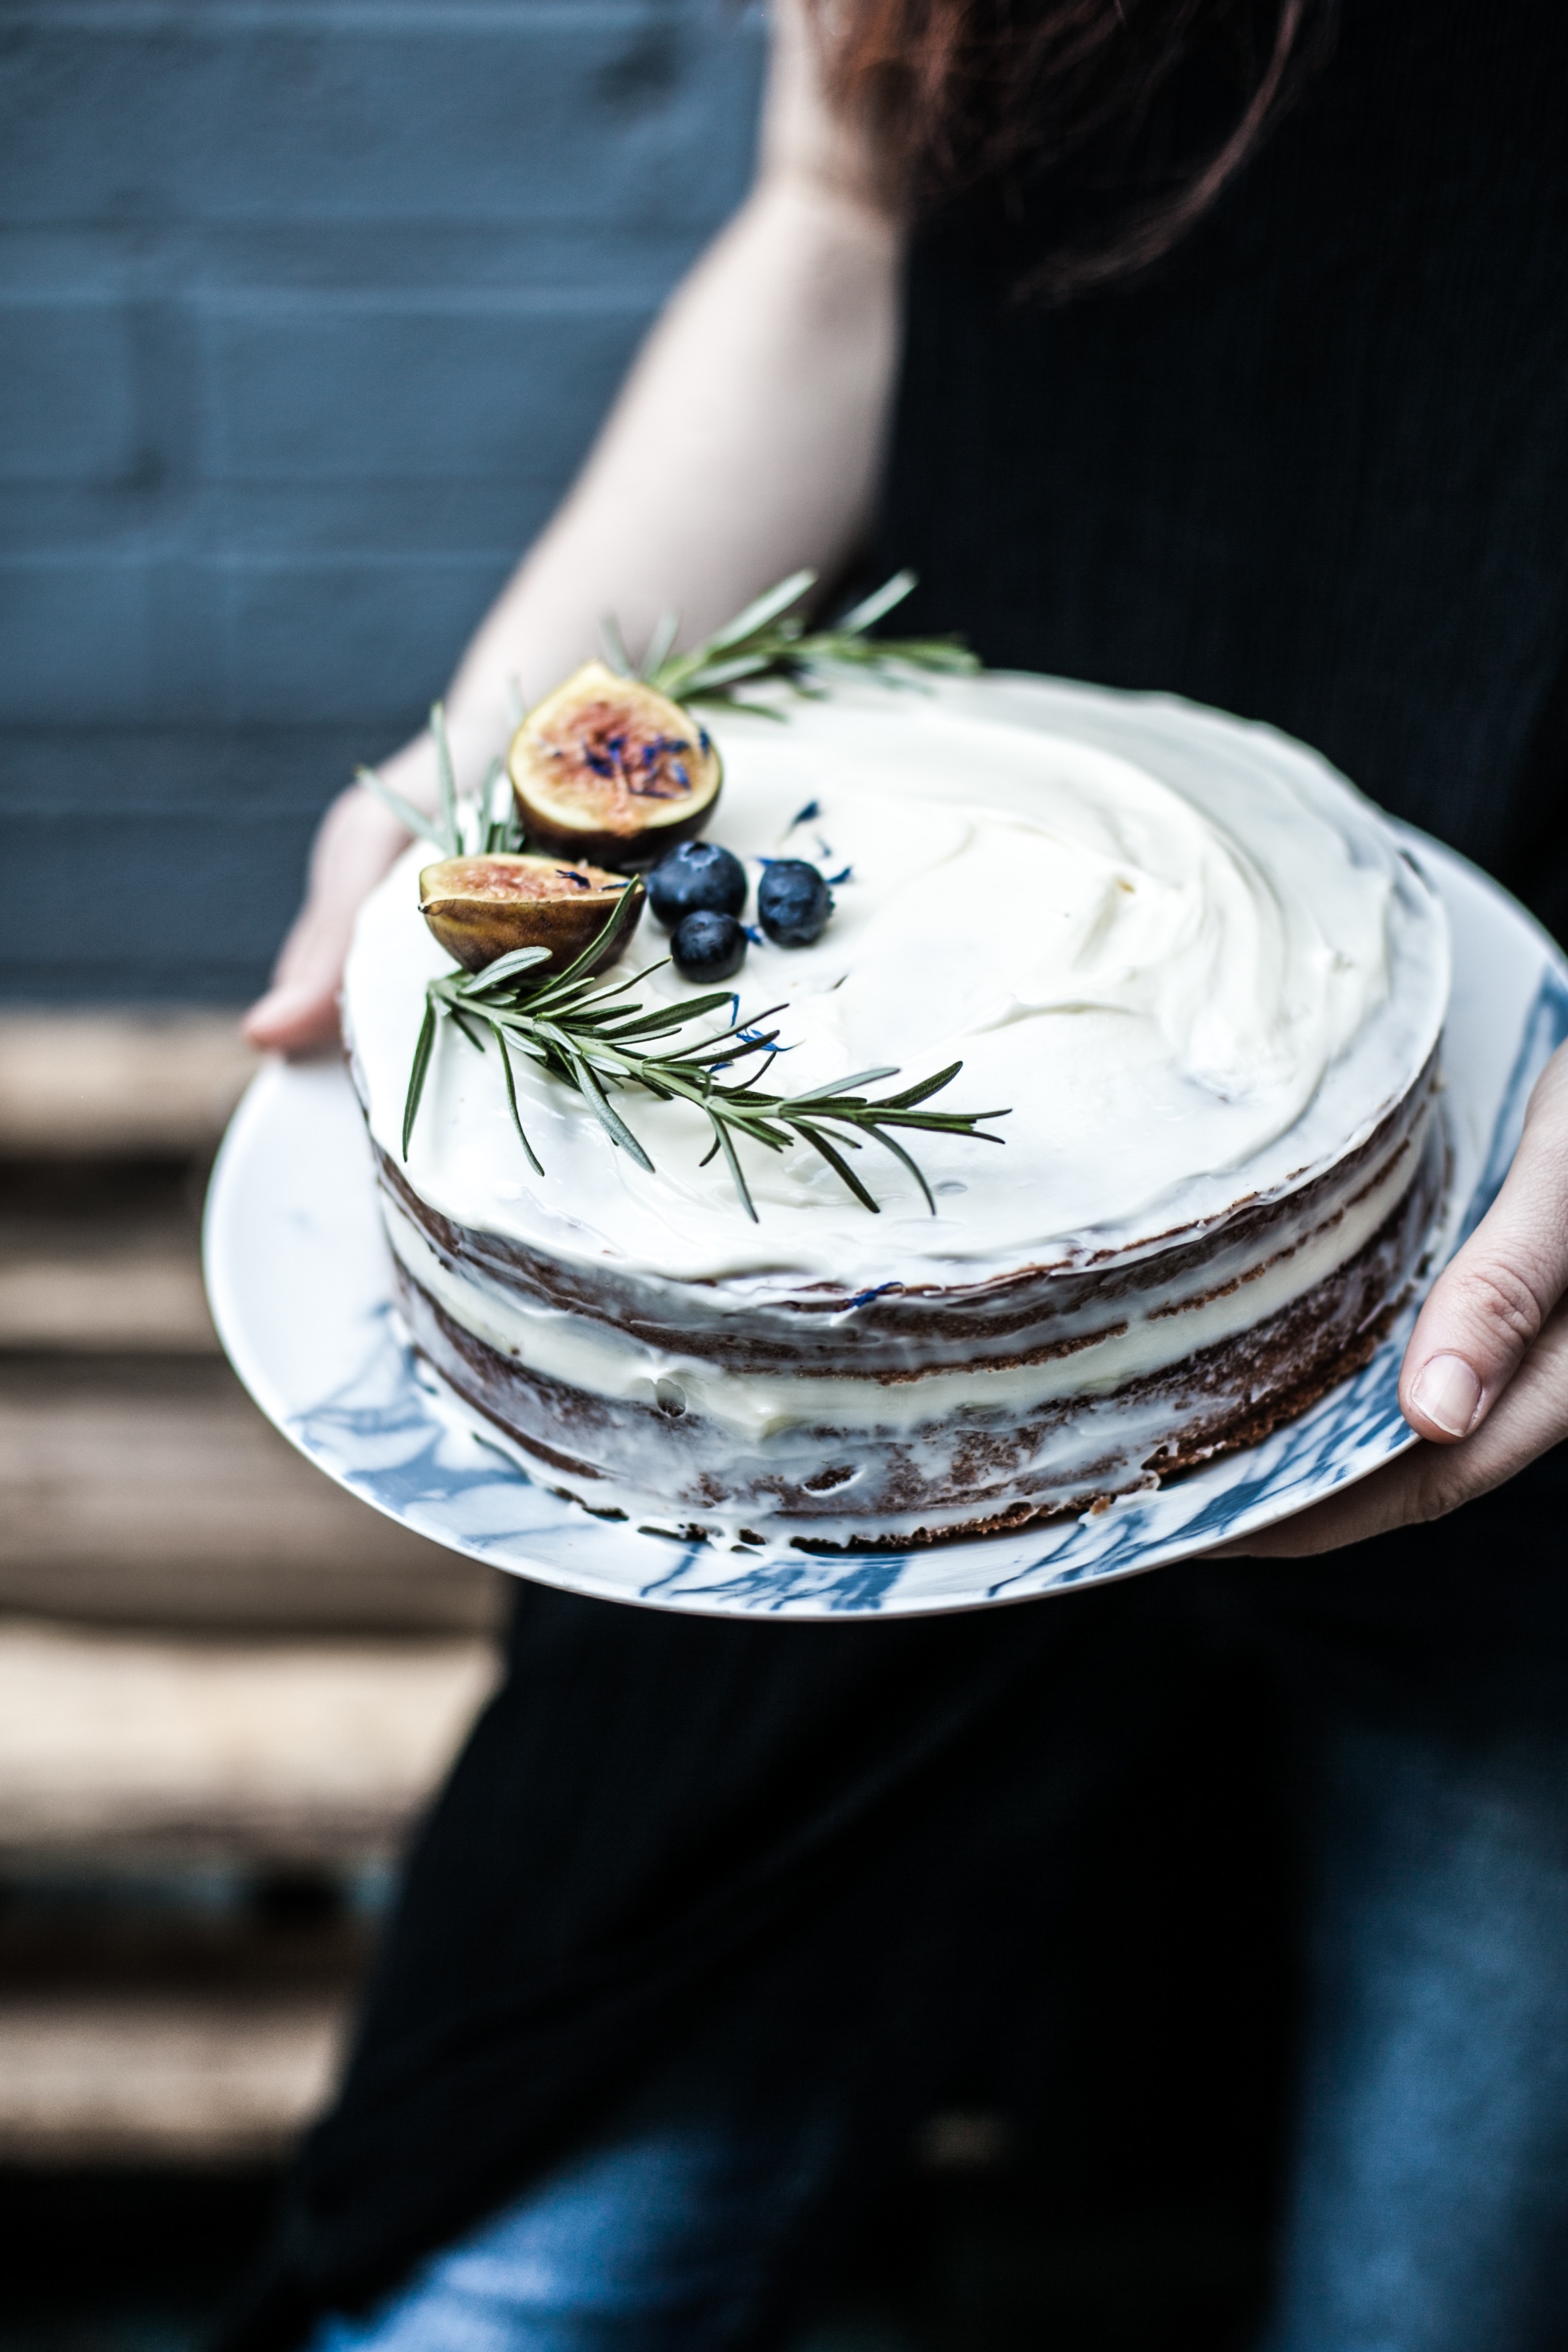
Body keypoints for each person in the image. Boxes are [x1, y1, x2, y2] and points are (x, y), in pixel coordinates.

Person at [228, 0, 1568, 2343]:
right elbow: (839, 229)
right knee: (507, 2271)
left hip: (1516, 1251)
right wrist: (483, 778)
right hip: (823, 1233)